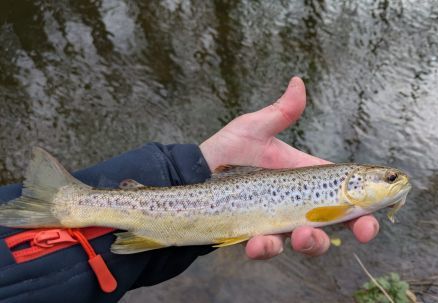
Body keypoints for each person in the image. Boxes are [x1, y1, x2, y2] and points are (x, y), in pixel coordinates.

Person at [0, 77, 378, 302]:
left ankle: (82, 208)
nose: (396, 184)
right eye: (389, 179)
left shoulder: (342, 198)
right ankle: (75, 205)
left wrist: (188, 167)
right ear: (355, 184)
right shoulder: (340, 197)